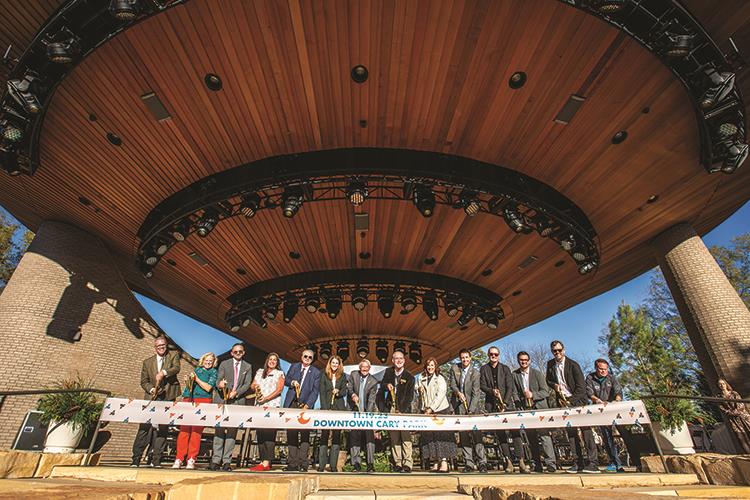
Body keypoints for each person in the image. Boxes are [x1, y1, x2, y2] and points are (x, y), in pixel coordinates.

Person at [545, 340, 599, 474]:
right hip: (563, 402)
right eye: (554, 351)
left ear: (564, 350)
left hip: (577, 401)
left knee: (586, 432)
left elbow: (581, 388)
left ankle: (593, 463)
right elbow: (548, 380)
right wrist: (554, 386)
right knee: (571, 433)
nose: (557, 353)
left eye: (559, 350)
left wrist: (571, 401)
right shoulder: (550, 364)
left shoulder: (573, 365)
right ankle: (577, 462)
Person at [131, 335, 181, 467]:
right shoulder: (147, 362)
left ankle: (156, 459)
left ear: (166, 345)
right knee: (144, 428)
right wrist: (151, 389)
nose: (161, 348)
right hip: (152, 397)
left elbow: (176, 368)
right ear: (155, 347)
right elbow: (144, 381)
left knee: (162, 428)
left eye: (163, 345)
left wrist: (164, 372)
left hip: (167, 397)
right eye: (158, 346)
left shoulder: (173, 355)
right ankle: (136, 458)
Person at [512, 351, 556, 473]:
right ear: (518, 360)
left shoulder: (537, 374)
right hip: (526, 410)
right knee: (531, 438)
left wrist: (533, 395)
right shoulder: (515, 375)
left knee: (544, 436)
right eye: (521, 360)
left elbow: (545, 391)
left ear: (529, 361)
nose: (523, 362)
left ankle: (551, 463)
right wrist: (519, 403)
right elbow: (515, 392)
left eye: (526, 359)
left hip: (539, 408)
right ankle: (536, 463)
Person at [211, 343, 253, 471]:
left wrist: (237, 393)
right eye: (235, 352)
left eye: (240, 351)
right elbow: (218, 380)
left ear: (243, 352)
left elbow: (247, 384)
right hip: (222, 400)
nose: (238, 353)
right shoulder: (224, 364)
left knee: (231, 432)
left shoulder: (248, 366)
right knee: (219, 430)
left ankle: (227, 461)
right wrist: (220, 385)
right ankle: (216, 460)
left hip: (237, 401)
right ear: (232, 353)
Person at [173, 352, 217, 469]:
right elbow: (190, 386)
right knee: (184, 430)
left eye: (210, 361)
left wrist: (196, 379)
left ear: (213, 362)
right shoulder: (197, 370)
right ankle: (179, 458)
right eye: (206, 360)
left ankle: (191, 458)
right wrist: (188, 380)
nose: (208, 362)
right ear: (203, 360)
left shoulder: (213, 372)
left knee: (196, 431)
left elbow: (208, 387)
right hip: (189, 399)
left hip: (203, 400)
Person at [376, 349, 415, 473]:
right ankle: (397, 463)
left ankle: (407, 464)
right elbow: (381, 387)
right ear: (392, 361)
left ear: (404, 361)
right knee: (394, 438)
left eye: (400, 359)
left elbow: (410, 397)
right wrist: (386, 385)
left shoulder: (410, 377)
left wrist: (401, 410)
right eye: (396, 359)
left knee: (405, 437)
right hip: (390, 408)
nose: (398, 361)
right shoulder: (388, 372)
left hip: (403, 410)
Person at [448, 348, 487, 473]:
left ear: (470, 358)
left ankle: (482, 462)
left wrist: (471, 410)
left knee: (477, 436)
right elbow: (452, 384)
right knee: (463, 435)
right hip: (459, 406)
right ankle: (468, 463)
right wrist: (458, 393)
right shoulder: (455, 369)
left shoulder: (475, 373)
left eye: (467, 357)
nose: (464, 359)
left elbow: (476, 393)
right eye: (462, 357)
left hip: (473, 408)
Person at [479, 345, 516, 473]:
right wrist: (491, 391)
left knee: (515, 433)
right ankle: (508, 461)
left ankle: (521, 460)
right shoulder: (484, 369)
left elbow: (510, 387)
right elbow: (482, 385)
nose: (493, 356)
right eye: (491, 354)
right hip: (492, 405)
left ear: (498, 356)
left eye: (495, 354)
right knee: (501, 435)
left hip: (506, 405)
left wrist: (504, 403)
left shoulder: (505, 368)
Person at [283, 349, 321, 472]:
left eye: (310, 357)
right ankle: (292, 464)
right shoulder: (294, 366)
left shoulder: (316, 372)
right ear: (301, 356)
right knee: (291, 434)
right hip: (292, 404)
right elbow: (286, 380)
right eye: (305, 356)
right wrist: (292, 382)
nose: (307, 358)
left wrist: (308, 405)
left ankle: (303, 463)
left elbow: (315, 391)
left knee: (305, 435)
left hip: (305, 406)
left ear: (312, 359)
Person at [418, 357, 456, 473]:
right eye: (428, 365)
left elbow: (441, 394)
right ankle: (435, 461)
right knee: (429, 437)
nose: (430, 367)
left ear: (436, 367)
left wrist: (432, 408)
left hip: (440, 410)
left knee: (442, 436)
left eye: (432, 365)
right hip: (426, 411)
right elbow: (420, 393)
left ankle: (444, 462)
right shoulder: (421, 378)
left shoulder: (440, 378)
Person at [585, 358, 624, 473]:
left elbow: (618, 391)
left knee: (624, 434)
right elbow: (589, 393)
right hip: (600, 410)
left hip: (614, 409)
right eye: (600, 369)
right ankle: (615, 463)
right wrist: (597, 401)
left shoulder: (611, 378)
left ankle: (636, 462)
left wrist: (616, 401)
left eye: (605, 369)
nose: (603, 371)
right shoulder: (590, 378)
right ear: (596, 368)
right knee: (607, 437)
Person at [249, 352, 285, 471]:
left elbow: (279, 390)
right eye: (271, 359)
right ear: (267, 360)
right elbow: (253, 385)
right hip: (259, 406)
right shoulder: (260, 372)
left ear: (277, 362)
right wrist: (255, 387)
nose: (272, 361)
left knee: (269, 433)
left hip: (272, 406)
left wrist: (266, 398)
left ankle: (267, 462)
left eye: (275, 360)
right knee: (260, 433)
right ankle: (262, 461)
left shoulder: (279, 373)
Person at [347, 358, 379, 472]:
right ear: (359, 368)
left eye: (366, 368)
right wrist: (352, 394)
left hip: (366, 412)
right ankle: (356, 463)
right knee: (354, 436)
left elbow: (371, 400)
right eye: (362, 367)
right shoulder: (353, 374)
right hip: (354, 411)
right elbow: (349, 387)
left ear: (369, 369)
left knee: (369, 438)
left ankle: (370, 464)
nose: (364, 369)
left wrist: (366, 416)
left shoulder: (374, 381)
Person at [318, 355, 348, 472]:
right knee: (324, 436)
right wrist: (325, 408)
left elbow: (345, 391)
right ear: (329, 364)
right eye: (333, 363)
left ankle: (333, 466)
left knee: (336, 437)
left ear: (339, 365)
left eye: (337, 363)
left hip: (339, 409)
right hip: (327, 409)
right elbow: (322, 392)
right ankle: (321, 465)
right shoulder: (324, 375)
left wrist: (338, 391)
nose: (335, 365)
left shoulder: (343, 376)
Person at [717, 378, 750, 454]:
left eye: (723, 383)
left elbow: (740, 404)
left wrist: (735, 412)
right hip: (734, 420)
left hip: (744, 417)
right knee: (741, 438)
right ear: (718, 386)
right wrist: (731, 413)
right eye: (720, 384)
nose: (722, 385)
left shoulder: (734, 393)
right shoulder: (719, 397)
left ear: (726, 384)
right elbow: (722, 409)